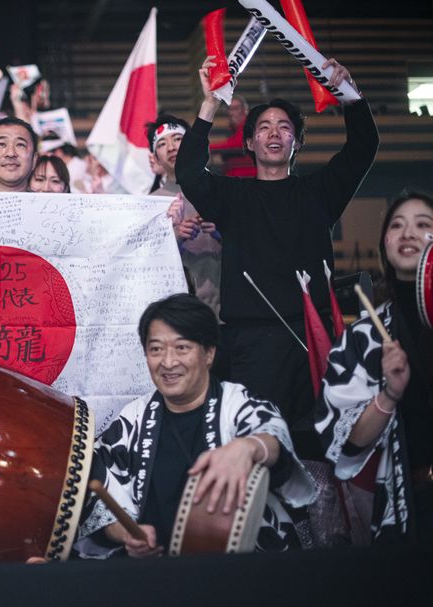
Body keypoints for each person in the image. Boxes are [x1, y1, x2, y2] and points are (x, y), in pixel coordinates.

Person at [176, 56, 379, 459]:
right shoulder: (232, 196)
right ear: (249, 142)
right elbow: (189, 172)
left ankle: (321, 522)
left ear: (296, 143)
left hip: (314, 338)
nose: (274, 133)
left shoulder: (320, 193)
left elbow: (363, 148)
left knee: (318, 445)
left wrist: (350, 96)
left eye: (284, 127)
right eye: (264, 127)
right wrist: (210, 104)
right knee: (258, 446)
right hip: (250, 345)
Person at [75, 294, 315, 558]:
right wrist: (125, 534)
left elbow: (273, 436)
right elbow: (98, 494)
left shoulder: (236, 403)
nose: (168, 362)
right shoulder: (134, 417)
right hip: (157, 576)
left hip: (245, 570)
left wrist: (248, 447)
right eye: (156, 349)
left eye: (182, 348)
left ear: (209, 353)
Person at [316, 190, 433, 543]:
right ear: (385, 243)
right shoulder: (363, 336)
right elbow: (346, 444)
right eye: (397, 225)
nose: (408, 233)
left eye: (423, 224)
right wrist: (389, 394)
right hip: (409, 507)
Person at [147, 114, 222, 316]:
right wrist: (175, 236)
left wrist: (221, 231)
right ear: (154, 158)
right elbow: (145, 264)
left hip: (230, 310)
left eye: (178, 139)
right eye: (162, 143)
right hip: (181, 315)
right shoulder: (151, 204)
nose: (171, 147)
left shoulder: (222, 190)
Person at [0, 116, 37, 193]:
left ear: (34, 159)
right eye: (1, 144)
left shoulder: (51, 204)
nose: (11, 153)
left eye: (20, 145)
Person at [209, 95, 257, 178]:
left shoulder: (249, 127)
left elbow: (238, 144)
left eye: (235, 108)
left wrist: (206, 147)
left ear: (245, 110)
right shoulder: (233, 131)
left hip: (246, 179)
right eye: (229, 109)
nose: (230, 113)